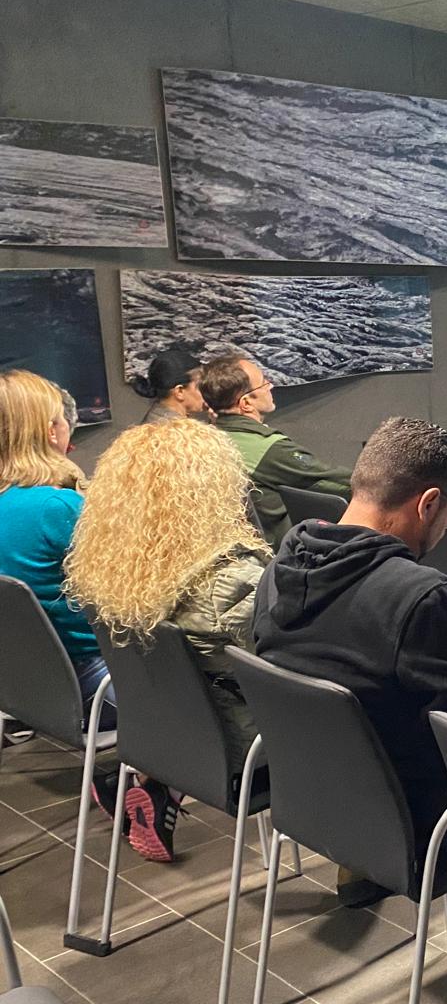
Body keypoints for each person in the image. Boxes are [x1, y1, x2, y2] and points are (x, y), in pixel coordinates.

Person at [254, 417, 447, 876]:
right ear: (429, 503)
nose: (446, 529)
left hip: (309, 799)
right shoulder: (423, 597)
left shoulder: (280, 565)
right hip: (421, 826)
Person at [64, 419, 271, 863]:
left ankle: (157, 786)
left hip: (165, 739)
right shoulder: (232, 584)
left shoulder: (109, 572)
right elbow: (285, 670)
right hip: (243, 753)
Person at [0, 370, 111, 719]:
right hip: (94, 684)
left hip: (24, 683)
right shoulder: (57, 507)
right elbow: (131, 591)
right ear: (51, 431)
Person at [201, 354, 351, 547]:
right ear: (246, 403)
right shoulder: (267, 449)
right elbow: (339, 482)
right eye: (264, 383)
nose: (270, 386)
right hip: (276, 555)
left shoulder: (206, 439)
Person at [132, 349, 207, 424]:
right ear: (179, 391)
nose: (207, 392)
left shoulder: (156, 419)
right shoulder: (173, 431)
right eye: (199, 386)